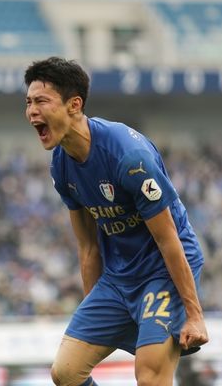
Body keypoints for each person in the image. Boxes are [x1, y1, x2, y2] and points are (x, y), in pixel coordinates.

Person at [24, 57, 208, 386]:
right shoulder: (61, 167)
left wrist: (194, 315)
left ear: (74, 105)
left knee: (150, 377)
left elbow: (169, 241)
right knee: (65, 373)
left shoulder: (128, 157)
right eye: (28, 102)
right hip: (118, 278)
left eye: (41, 101)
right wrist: (97, 312)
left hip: (161, 273)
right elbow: (88, 248)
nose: (31, 112)